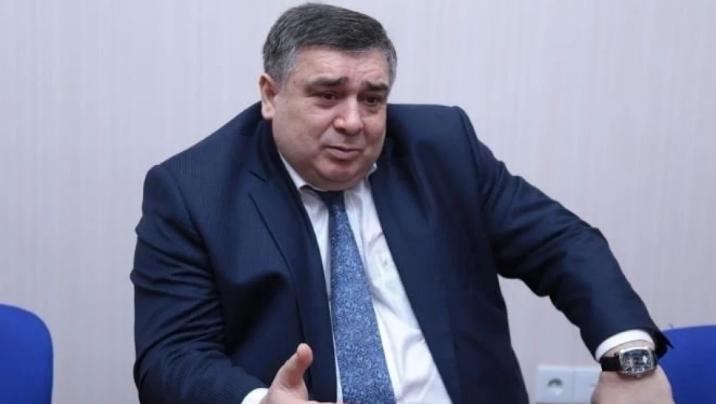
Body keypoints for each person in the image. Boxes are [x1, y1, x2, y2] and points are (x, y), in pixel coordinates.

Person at [131, 3, 673, 404]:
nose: (353, 121)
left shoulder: (442, 147)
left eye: (372, 99)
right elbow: (171, 356)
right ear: (271, 95)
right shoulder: (193, 192)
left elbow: (562, 243)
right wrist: (257, 402)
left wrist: (628, 361)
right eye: (327, 95)